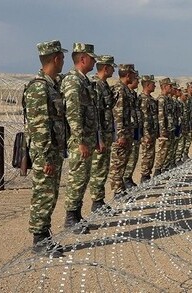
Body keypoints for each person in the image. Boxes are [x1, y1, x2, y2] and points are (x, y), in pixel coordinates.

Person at [24, 40, 67, 256]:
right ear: (55, 58)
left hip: (53, 152)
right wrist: (46, 157)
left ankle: (44, 234)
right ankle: (39, 239)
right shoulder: (39, 88)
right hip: (46, 154)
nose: (63, 61)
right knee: (43, 194)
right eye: (62, 57)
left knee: (50, 194)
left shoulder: (51, 86)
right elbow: (40, 127)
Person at [61, 42, 100, 234]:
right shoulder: (73, 81)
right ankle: (70, 217)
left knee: (83, 177)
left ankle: (76, 215)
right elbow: (73, 113)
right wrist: (80, 141)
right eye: (92, 58)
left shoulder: (84, 81)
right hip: (80, 141)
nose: (94, 62)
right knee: (77, 177)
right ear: (83, 59)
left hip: (88, 139)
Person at [89, 55, 117, 214]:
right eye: (112, 67)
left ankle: (99, 200)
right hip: (100, 136)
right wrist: (98, 138)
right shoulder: (96, 86)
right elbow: (96, 114)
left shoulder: (104, 85)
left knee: (103, 168)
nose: (113, 70)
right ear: (105, 68)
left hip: (106, 134)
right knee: (98, 168)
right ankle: (96, 202)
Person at [109, 64, 138, 198]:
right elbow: (118, 114)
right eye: (133, 74)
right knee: (118, 163)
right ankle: (117, 191)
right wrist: (120, 134)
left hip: (127, 132)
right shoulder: (120, 90)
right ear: (128, 75)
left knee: (123, 161)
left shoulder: (125, 90)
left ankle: (120, 187)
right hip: (122, 134)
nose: (134, 77)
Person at [123, 70, 142, 188]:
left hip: (134, 130)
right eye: (136, 79)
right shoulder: (121, 91)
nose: (138, 81)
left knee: (133, 156)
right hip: (125, 132)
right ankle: (121, 184)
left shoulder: (132, 94)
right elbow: (119, 115)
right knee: (123, 160)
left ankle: (127, 179)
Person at [153, 77, 174, 176]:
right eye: (170, 86)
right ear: (165, 87)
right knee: (162, 151)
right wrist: (162, 131)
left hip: (168, 129)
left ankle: (163, 169)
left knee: (167, 151)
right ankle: (157, 171)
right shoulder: (161, 99)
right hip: (164, 131)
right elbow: (160, 116)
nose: (171, 87)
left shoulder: (167, 99)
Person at [139, 75, 158, 183]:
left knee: (151, 154)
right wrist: (145, 134)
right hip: (147, 133)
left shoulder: (151, 99)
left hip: (152, 132)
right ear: (147, 85)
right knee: (146, 155)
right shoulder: (143, 99)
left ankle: (147, 175)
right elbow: (144, 118)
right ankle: (144, 176)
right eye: (153, 84)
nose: (155, 85)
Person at [182, 81, 192, 161]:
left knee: (189, 139)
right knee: (185, 139)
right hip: (186, 122)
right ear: (188, 88)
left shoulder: (191, 98)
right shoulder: (186, 97)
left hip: (190, 122)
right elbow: (184, 111)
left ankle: (185, 153)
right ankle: (183, 154)